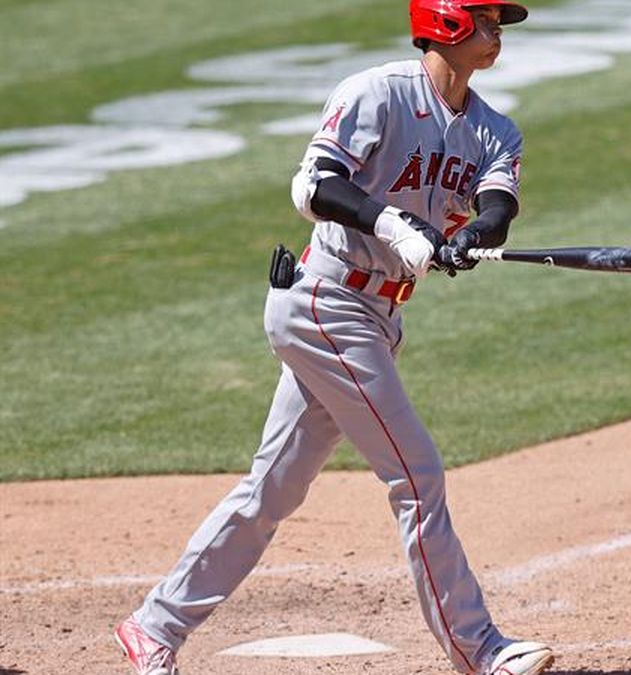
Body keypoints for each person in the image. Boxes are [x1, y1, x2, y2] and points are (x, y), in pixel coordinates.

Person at [114, 2, 555, 674]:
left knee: (273, 489)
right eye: (487, 16)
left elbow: (498, 206)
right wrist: (394, 227)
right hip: (325, 300)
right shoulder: (375, 95)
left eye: (500, 19)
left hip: (375, 317)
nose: (499, 30)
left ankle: (154, 626)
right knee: (417, 474)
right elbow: (313, 185)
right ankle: (480, 647)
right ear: (446, 22)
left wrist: (467, 236)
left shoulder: (495, 129)